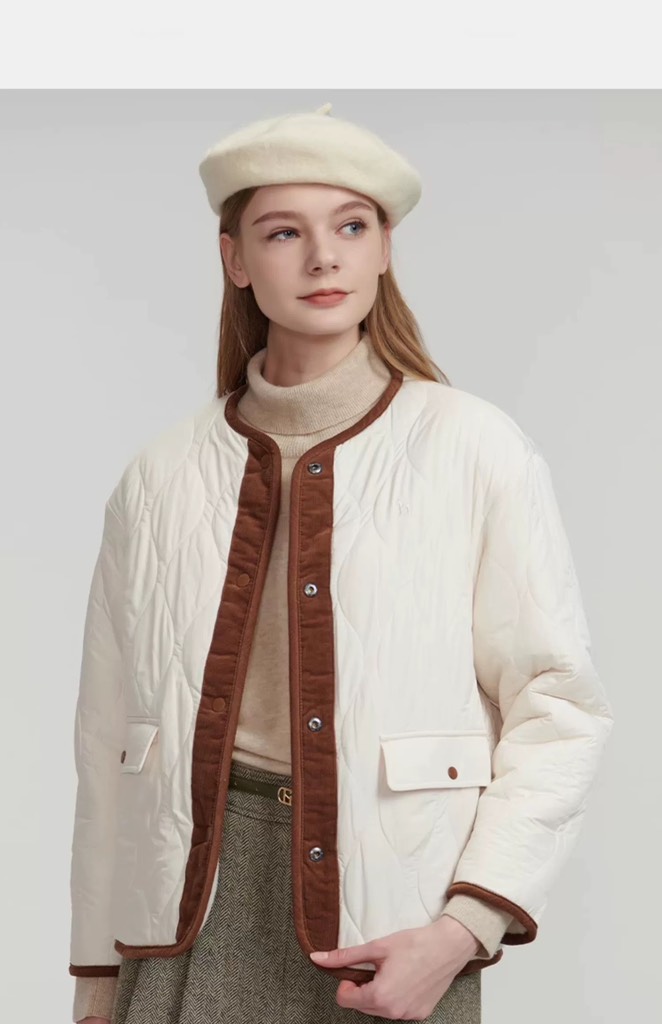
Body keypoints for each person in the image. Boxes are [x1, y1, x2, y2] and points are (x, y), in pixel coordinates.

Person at [68, 102, 614, 1024]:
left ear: (385, 248)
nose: (324, 258)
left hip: (398, 919)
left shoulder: (476, 449)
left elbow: (558, 709)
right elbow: (105, 743)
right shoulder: (158, 478)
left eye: (351, 227)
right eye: (285, 233)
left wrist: (464, 929)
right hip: (191, 904)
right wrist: (94, 982)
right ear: (236, 259)